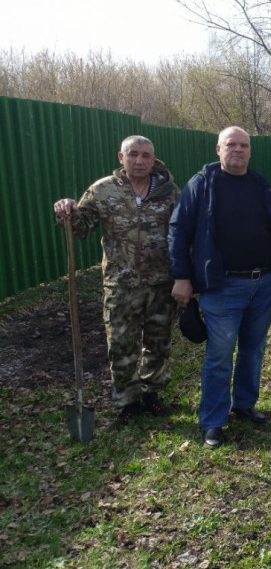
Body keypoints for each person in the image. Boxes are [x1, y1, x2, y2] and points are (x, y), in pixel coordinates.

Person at [169, 126, 271, 449]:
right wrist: (181, 275)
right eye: (231, 144)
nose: (238, 150)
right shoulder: (202, 184)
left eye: (243, 145)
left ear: (250, 151)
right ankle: (213, 421)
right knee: (220, 354)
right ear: (218, 149)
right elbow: (178, 230)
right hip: (222, 286)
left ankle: (244, 404)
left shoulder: (261, 186)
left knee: (253, 349)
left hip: (263, 284)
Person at [53, 136, 179, 424]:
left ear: (153, 159)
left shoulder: (169, 191)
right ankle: (128, 403)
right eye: (133, 154)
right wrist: (68, 212)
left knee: (159, 344)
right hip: (120, 284)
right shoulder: (102, 190)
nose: (139, 160)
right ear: (121, 158)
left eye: (145, 155)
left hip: (161, 283)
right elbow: (81, 228)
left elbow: (182, 230)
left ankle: (152, 396)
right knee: (121, 345)